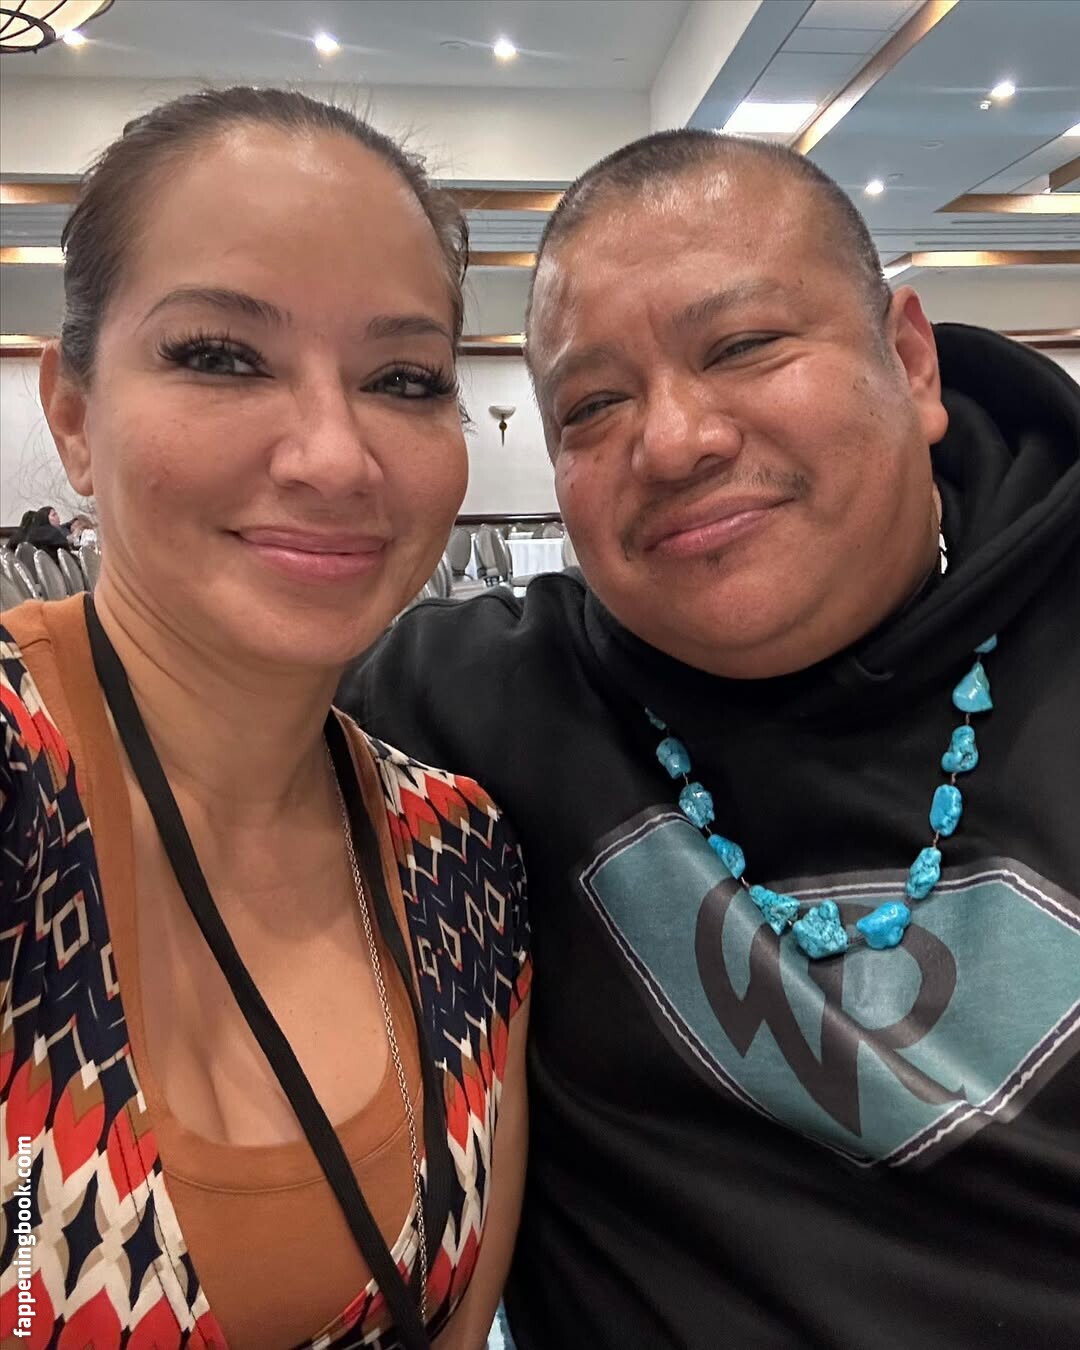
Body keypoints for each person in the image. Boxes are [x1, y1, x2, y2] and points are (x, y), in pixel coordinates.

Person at [342, 129, 1080, 1350]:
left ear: (909, 361)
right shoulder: (467, 706)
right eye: (593, 405)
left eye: (742, 347)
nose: (676, 440)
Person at [0, 88, 530, 1350]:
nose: (335, 458)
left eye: (404, 379)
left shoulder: (462, 856)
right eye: (221, 357)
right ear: (72, 414)